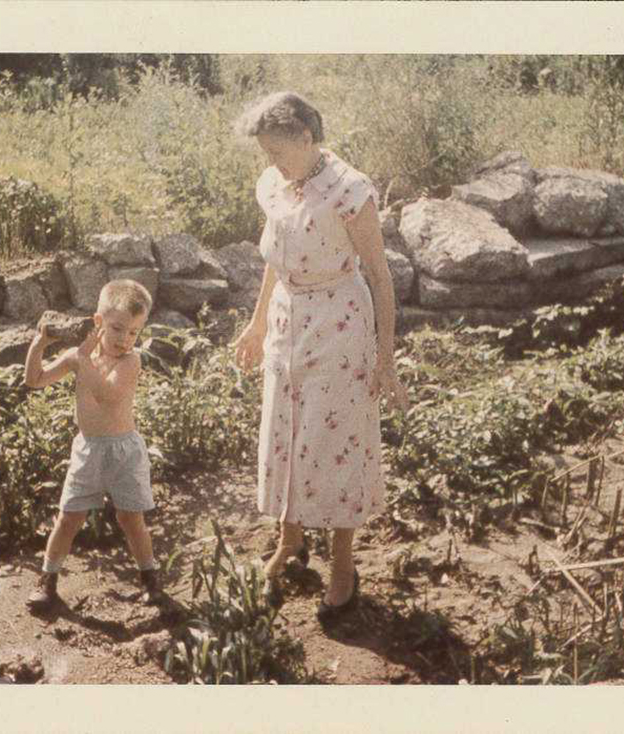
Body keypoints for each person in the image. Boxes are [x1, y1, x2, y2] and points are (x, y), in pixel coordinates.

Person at [232, 91, 409, 622]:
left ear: (307, 138)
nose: (271, 163)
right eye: (265, 152)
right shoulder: (275, 185)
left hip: (339, 325)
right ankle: (290, 542)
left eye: (278, 150)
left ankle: (341, 562)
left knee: (333, 441)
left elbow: (379, 277)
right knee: (284, 433)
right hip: (288, 322)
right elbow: (276, 257)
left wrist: (385, 359)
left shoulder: (350, 192)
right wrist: (258, 321)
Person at [22, 279, 161, 611]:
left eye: (133, 333)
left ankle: (151, 580)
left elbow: (108, 395)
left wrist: (84, 361)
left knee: (131, 519)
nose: (125, 339)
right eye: (117, 328)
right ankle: (48, 581)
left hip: (124, 452)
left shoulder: (131, 361)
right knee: (69, 518)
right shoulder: (76, 356)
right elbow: (35, 380)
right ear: (98, 322)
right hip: (88, 450)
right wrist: (39, 344)